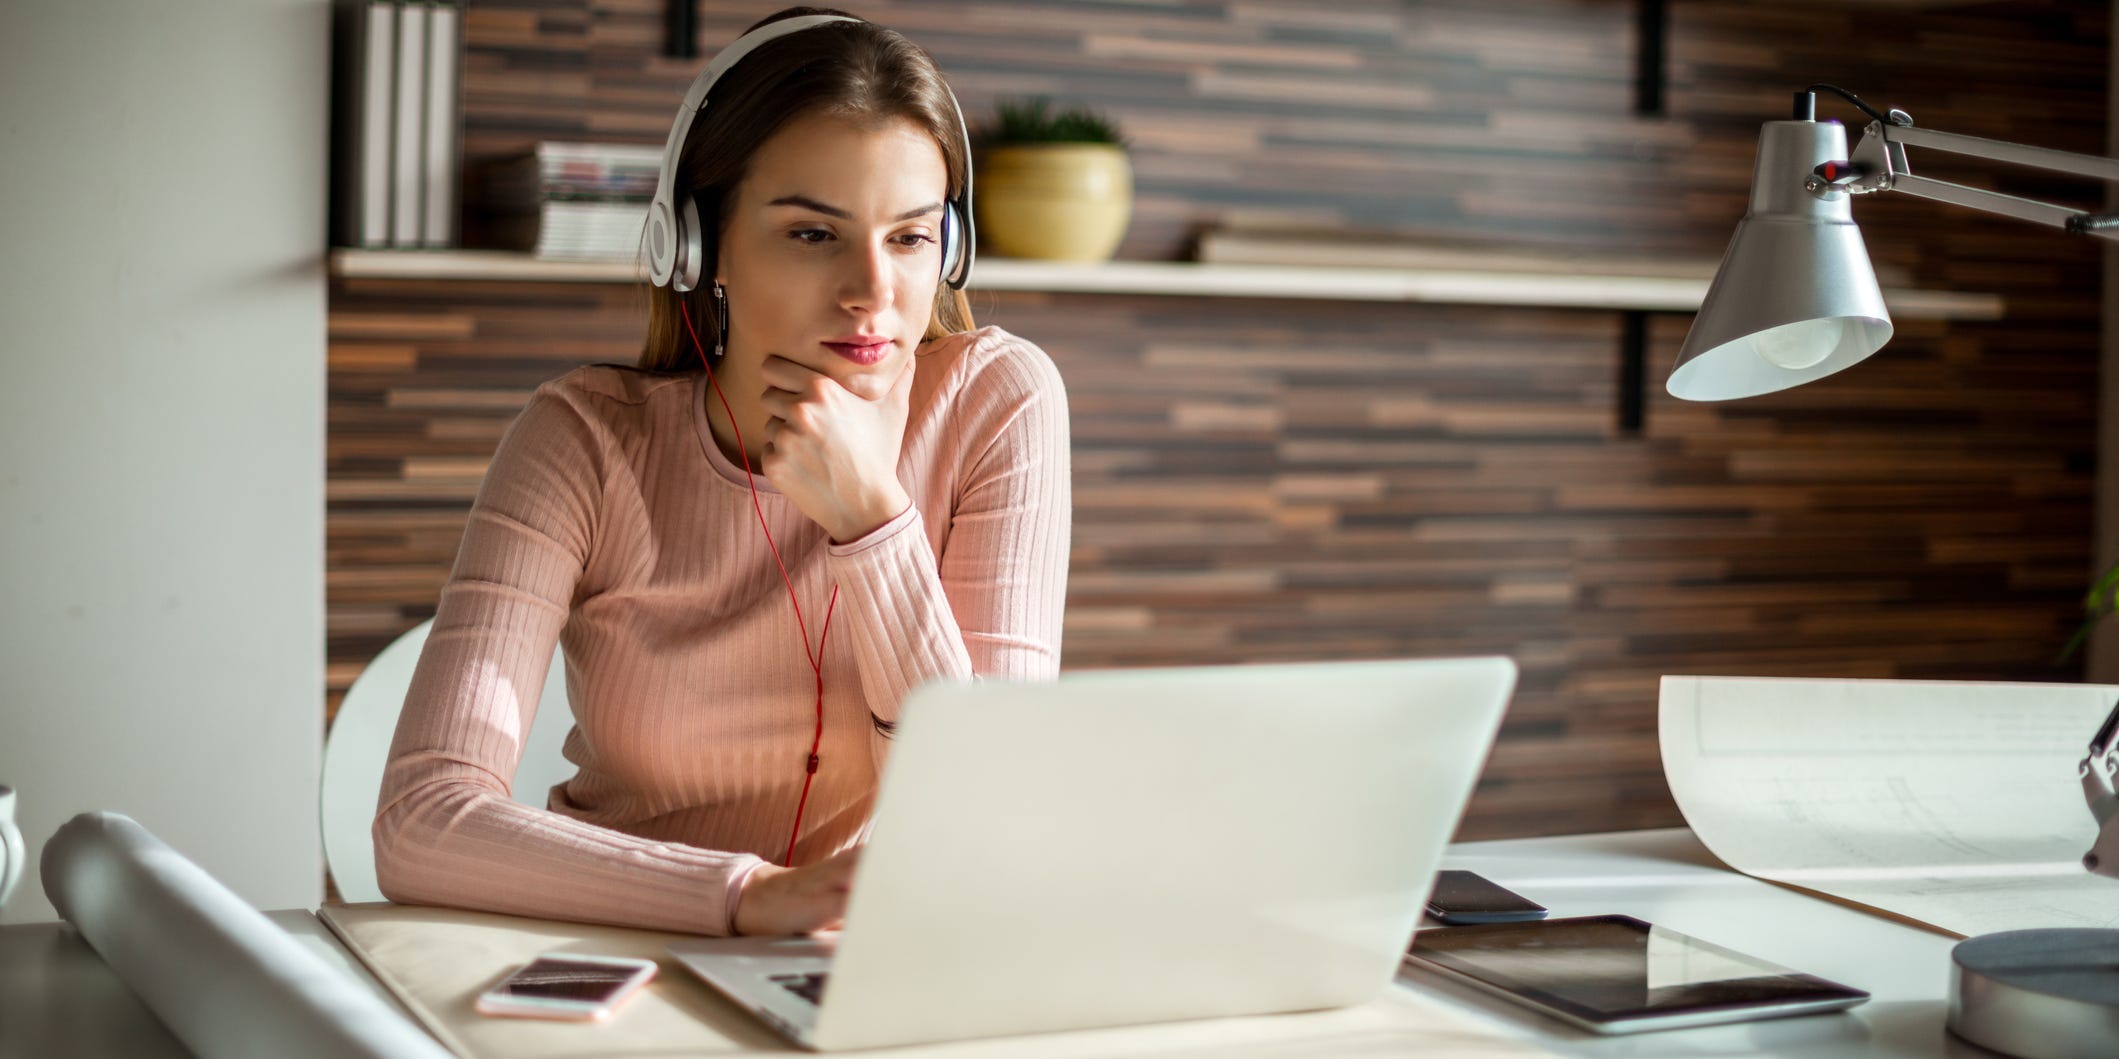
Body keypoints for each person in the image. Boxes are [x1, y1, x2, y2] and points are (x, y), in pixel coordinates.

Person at [371, 7, 1071, 938]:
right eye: (813, 235)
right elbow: (421, 824)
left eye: (908, 237)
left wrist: (871, 518)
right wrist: (745, 897)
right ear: (700, 251)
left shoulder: (998, 401)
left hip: (861, 972)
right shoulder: (581, 441)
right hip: (622, 947)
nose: (873, 291)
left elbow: (995, 816)